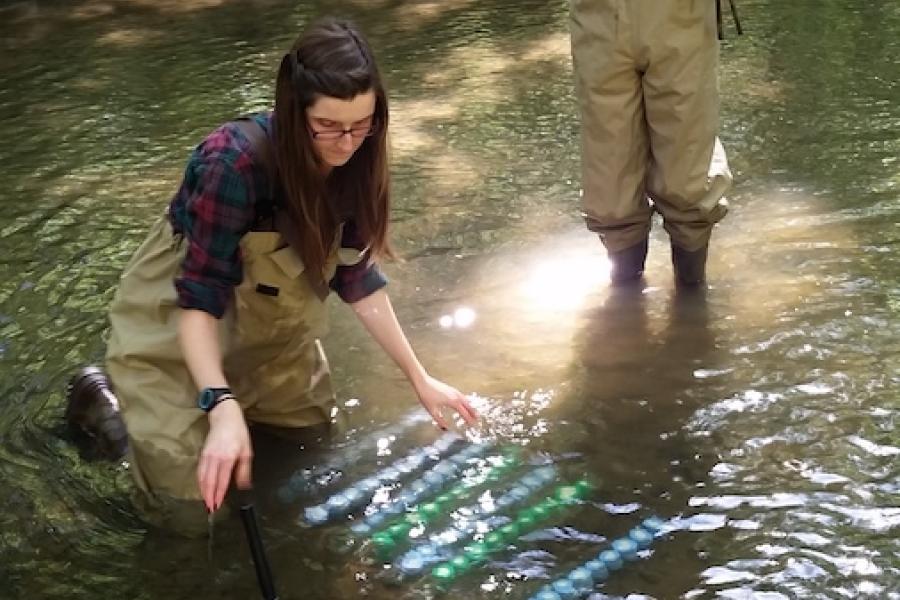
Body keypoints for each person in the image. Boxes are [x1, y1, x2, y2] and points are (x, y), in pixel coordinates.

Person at [65, 18, 479, 535]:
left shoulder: (357, 157)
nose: (347, 142)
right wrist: (219, 404)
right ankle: (111, 419)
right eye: (328, 125)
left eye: (362, 124)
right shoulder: (231, 165)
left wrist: (420, 378)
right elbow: (197, 300)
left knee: (313, 453)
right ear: (292, 110)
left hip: (272, 334)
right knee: (194, 513)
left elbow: (355, 278)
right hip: (176, 338)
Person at [569, 0, 733, 285]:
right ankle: (627, 297)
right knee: (610, 190)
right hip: (600, 17)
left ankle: (693, 304)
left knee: (688, 181)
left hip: (682, 15)